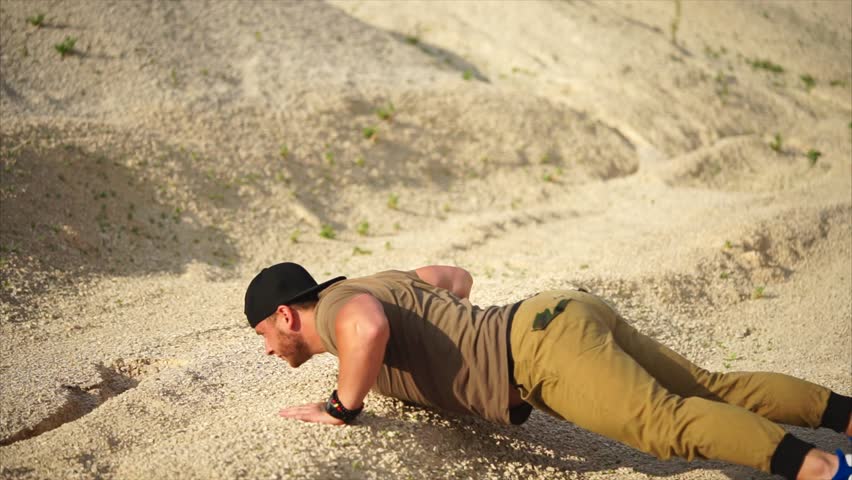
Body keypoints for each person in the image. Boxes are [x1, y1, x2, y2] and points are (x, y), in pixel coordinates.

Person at [243, 262, 852, 480]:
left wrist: (342, 407)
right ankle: (844, 421)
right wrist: (448, 330)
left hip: (536, 353)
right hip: (554, 314)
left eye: (263, 337)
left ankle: (824, 468)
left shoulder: (338, 308)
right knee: (709, 389)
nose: (268, 351)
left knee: (664, 425)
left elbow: (369, 328)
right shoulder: (366, 282)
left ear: (283, 316)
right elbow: (452, 277)